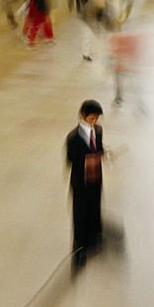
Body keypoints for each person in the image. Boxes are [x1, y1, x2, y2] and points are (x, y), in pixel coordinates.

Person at [65, 100, 106, 272]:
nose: (94, 122)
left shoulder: (98, 131)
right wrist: (87, 160)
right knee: (80, 212)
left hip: (95, 178)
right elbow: (70, 160)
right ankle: (79, 248)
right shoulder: (73, 137)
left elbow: (99, 148)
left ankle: (94, 238)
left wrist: (101, 154)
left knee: (95, 207)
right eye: (91, 118)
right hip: (80, 181)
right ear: (82, 116)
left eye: (96, 118)